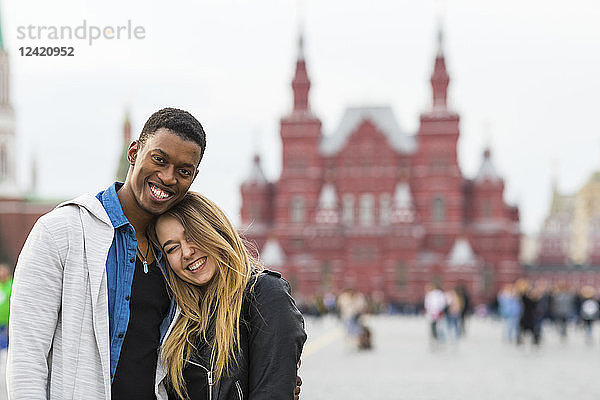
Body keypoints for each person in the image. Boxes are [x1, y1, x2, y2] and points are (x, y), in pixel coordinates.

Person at [7, 108, 302, 400]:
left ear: (193, 177)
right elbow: (26, 362)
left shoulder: (176, 261)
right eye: (158, 159)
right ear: (134, 151)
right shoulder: (62, 231)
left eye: (183, 171)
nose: (167, 176)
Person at [150, 192, 306, 399]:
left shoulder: (264, 294)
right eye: (172, 248)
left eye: (192, 236)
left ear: (216, 231)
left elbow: (272, 392)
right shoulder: (174, 315)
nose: (186, 252)